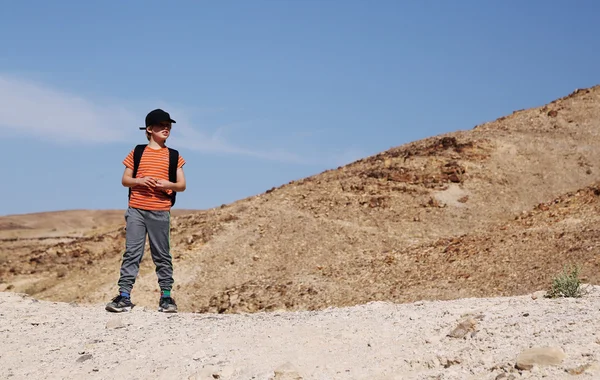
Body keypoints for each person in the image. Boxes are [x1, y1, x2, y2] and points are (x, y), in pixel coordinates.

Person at [106, 109, 186, 313]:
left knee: (162, 254)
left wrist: (167, 184)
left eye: (168, 125)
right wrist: (140, 180)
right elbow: (125, 180)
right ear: (150, 129)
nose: (166, 128)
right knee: (132, 252)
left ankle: (166, 297)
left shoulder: (174, 155)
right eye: (161, 125)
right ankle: (124, 296)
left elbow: (182, 185)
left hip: (161, 211)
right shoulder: (138, 152)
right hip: (137, 210)